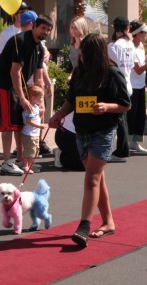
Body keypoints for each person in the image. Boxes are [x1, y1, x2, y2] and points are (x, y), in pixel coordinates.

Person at [49, 33, 131, 248]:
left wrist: (106, 107)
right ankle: (108, 222)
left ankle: (84, 225)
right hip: (81, 131)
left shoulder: (112, 74)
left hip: (103, 131)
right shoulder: (79, 73)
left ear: (95, 54)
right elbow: (71, 101)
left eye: (84, 54)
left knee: (92, 178)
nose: (81, 57)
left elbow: (125, 104)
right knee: (97, 178)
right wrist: (58, 115)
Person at [0, 15, 53, 175]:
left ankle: (21, 159)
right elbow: (15, 72)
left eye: (48, 30)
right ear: (34, 26)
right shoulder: (20, 41)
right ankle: (6, 162)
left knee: (20, 123)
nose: (45, 32)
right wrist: (22, 97)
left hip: (21, 86)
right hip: (5, 84)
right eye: (43, 28)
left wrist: (39, 101)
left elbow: (38, 76)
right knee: (8, 124)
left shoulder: (40, 48)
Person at [53, 16, 88, 170]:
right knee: (70, 110)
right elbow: (76, 66)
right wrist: (71, 75)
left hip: (85, 81)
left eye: (76, 27)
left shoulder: (88, 44)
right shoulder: (73, 44)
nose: (73, 30)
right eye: (72, 27)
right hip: (77, 80)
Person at [108, 16, 136, 162]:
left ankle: (121, 151)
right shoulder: (130, 45)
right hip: (127, 83)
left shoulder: (113, 46)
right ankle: (121, 150)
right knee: (121, 119)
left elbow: (111, 65)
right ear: (127, 29)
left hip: (117, 85)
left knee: (118, 120)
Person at [127, 20, 147, 153]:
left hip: (141, 86)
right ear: (137, 34)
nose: (146, 34)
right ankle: (127, 142)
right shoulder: (130, 48)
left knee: (140, 116)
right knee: (131, 116)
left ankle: (136, 143)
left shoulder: (141, 47)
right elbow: (138, 69)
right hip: (132, 86)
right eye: (144, 32)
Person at [21, 83, 46, 174]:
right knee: (29, 151)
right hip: (29, 134)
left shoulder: (35, 107)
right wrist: (40, 126)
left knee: (34, 151)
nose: (42, 99)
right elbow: (29, 121)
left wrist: (40, 110)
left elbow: (37, 111)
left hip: (34, 133)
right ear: (33, 97)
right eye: (41, 97)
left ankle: (30, 165)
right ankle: (25, 166)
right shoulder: (30, 108)